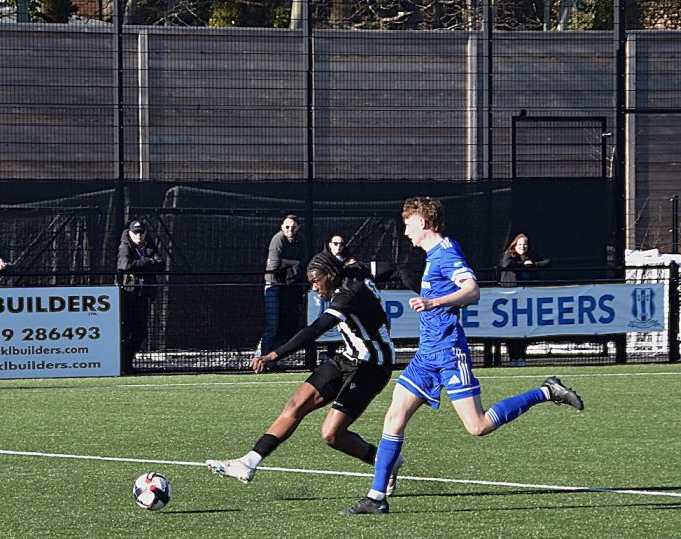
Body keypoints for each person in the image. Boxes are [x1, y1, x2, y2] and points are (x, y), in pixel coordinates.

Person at [342, 197, 584, 515]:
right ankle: (376, 498)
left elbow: (473, 291)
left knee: (478, 426)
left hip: (448, 352)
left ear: (424, 223)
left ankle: (547, 391)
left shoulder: (446, 253)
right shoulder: (433, 254)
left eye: (408, 223)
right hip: (426, 354)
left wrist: (434, 303)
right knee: (394, 418)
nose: (405, 231)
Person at [207, 251, 402, 493]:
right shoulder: (355, 270)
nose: (314, 287)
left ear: (330, 276)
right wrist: (415, 284)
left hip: (373, 366)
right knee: (295, 404)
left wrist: (273, 355)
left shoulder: (347, 296)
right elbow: (391, 268)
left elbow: (314, 330)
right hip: (348, 357)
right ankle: (249, 462)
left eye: (315, 281)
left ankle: (385, 462)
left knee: (332, 434)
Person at [259, 214, 310, 357]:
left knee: (287, 324)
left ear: (298, 228)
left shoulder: (302, 240)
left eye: (293, 227)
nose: (290, 230)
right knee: (273, 325)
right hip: (274, 285)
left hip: (291, 287)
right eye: (287, 227)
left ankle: (274, 356)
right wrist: (293, 262)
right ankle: (263, 357)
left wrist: (286, 262)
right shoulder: (278, 239)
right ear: (282, 227)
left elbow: (304, 263)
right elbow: (275, 265)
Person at [117, 220, 164, 373]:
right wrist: (148, 263)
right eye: (135, 232)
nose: (139, 235)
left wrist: (142, 264)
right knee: (126, 331)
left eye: (141, 232)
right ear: (130, 233)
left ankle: (127, 362)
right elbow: (125, 265)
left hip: (144, 295)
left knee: (141, 331)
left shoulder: (149, 246)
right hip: (129, 296)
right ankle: (123, 364)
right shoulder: (125, 247)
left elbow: (161, 264)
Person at [499, 232, 551, 367]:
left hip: (526, 300)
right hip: (511, 299)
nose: (523, 247)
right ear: (515, 245)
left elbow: (547, 262)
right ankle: (512, 357)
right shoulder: (509, 255)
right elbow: (505, 265)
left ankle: (521, 356)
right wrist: (523, 264)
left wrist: (532, 264)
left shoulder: (531, 256)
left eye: (525, 244)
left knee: (524, 329)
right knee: (512, 330)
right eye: (520, 244)